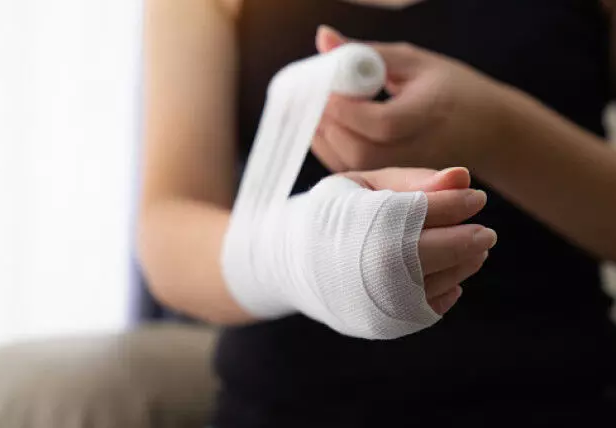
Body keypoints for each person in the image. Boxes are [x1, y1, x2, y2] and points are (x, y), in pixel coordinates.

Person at [138, 0, 616, 426]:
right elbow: (168, 231)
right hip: (288, 405)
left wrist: (496, 131)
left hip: (553, 399)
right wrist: (304, 252)